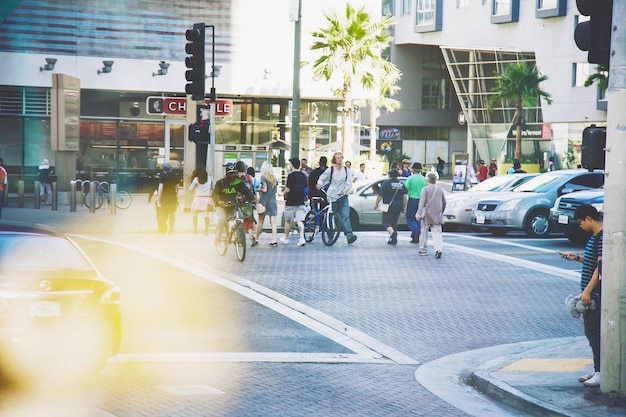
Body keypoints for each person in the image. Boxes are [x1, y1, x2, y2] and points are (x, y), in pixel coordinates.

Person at [561, 204, 603, 387]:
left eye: (580, 222)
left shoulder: (601, 239)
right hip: (591, 292)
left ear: (588, 218)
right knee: (591, 332)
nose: (580, 226)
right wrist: (576, 258)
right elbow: (594, 262)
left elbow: (601, 267)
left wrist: (587, 291)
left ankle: (601, 371)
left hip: (595, 294)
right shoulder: (595, 238)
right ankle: (597, 369)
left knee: (594, 333)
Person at [316, 152, 357, 245]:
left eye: (341, 158)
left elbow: (349, 183)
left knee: (345, 216)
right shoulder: (330, 170)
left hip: (343, 196)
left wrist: (345, 190)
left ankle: (349, 235)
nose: (340, 159)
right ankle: (330, 235)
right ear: (334, 160)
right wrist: (319, 184)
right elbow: (322, 178)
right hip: (331, 196)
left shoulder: (347, 170)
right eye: (337, 158)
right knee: (331, 217)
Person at [212, 162, 256, 239]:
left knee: (237, 219)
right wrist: (219, 201)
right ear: (227, 174)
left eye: (234, 173)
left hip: (232, 205)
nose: (233, 175)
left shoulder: (238, 182)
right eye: (230, 173)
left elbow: (246, 191)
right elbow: (214, 194)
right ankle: (218, 238)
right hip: (221, 206)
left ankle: (237, 237)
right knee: (222, 219)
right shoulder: (221, 183)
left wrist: (252, 199)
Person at [416, 172, 446, 259]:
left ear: (427, 180)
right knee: (437, 232)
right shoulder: (440, 190)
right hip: (437, 214)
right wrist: (441, 212)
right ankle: (438, 249)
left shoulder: (425, 189)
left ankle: (423, 249)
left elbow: (421, 203)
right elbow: (444, 202)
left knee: (424, 232)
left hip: (427, 214)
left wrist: (418, 213)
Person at [374, 169, 407, 245]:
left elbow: (380, 195)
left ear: (389, 175)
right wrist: (404, 206)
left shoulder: (386, 183)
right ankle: (393, 239)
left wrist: (376, 204)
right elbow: (404, 196)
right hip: (399, 205)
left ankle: (392, 233)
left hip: (388, 205)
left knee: (386, 222)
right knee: (394, 222)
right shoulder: (400, 183)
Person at [281, 158, 308, 247]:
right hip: (300, 201)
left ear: (292, 165)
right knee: (300, 221)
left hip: (291, 201)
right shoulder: (303, 175)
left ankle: (286, 238)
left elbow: (288, 189)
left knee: (288, 220)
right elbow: (306, 188)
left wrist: (283, 193)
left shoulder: (291, 175)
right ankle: (301, 238)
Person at [255, 161, 279, 246]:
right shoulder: (274, 178)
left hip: (264, 201)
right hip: (273, 201)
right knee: (273, 222)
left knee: (260, 222)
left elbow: (264, 189)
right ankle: (274, 239)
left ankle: (256, 239)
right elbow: (275, 191)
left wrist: (257, 189)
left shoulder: (263, 177)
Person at [236, 161, 258, 246]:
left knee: (238, 222)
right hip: (248, 202)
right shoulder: (248, 177)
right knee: (248, 221)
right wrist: (254, 200)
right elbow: (252, 190)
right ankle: (253, 236)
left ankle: (240, 240)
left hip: (238, 202)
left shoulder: (235, 177)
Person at [404, 162, 427, 243]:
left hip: (412, 199)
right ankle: (416, 234)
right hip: (422, 200)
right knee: (419, 217)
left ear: (413, 170)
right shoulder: (424, 179)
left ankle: (415, 230)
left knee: (410, 217)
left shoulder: (410, 178)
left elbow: (406, 189)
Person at [189, 165, 214, 235]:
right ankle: (206, 231)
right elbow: (213, 187)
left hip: (198, 198)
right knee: (206, 215)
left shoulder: (196, 179)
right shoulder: (210, 178)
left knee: (194, 214)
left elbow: (190, 189)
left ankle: (195, 230)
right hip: (207, 198)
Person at [155, 162, 179, 234]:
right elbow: (177, 188)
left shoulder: (162, 175)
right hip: (172, 198)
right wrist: (176, 195)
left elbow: (160, 187)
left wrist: (158, 198)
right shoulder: (175, 176)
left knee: (164, 213)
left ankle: (162, 228)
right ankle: (171, 229)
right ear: (171, 169)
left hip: (164, 198)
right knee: (172, 214)